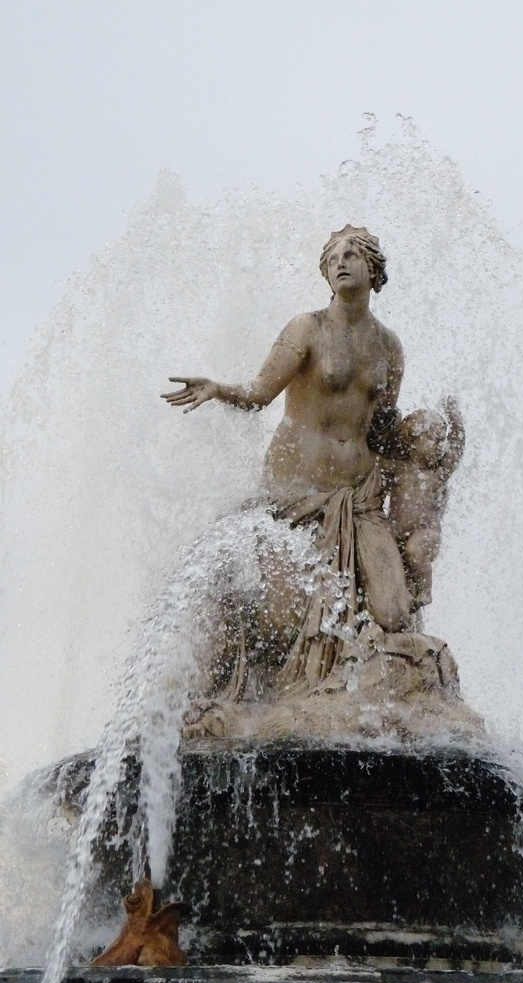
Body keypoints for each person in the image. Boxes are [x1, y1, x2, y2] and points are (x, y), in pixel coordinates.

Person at [162, 226, 413, 692]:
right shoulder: (308, 328)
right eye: (333, 257)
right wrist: (219, 388)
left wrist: (429, 442)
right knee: (283, 614)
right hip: (295, 493)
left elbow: (383, 429)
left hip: (357, 500)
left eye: (353, 254)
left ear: (374, 269)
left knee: (395, 611)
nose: (341, 262)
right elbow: (259, 393)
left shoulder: (390, 347)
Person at [385, 399, 465, 609]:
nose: (440, 447)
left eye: (442, 440)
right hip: (396, 532)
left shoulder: (437, 474)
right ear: (413, 441)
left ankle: (425, 591)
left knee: (414, 551)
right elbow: (374, 462)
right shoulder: (399, 468)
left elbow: (456, 450)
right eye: (434, 440)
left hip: (425, 532)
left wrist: (456, 422)